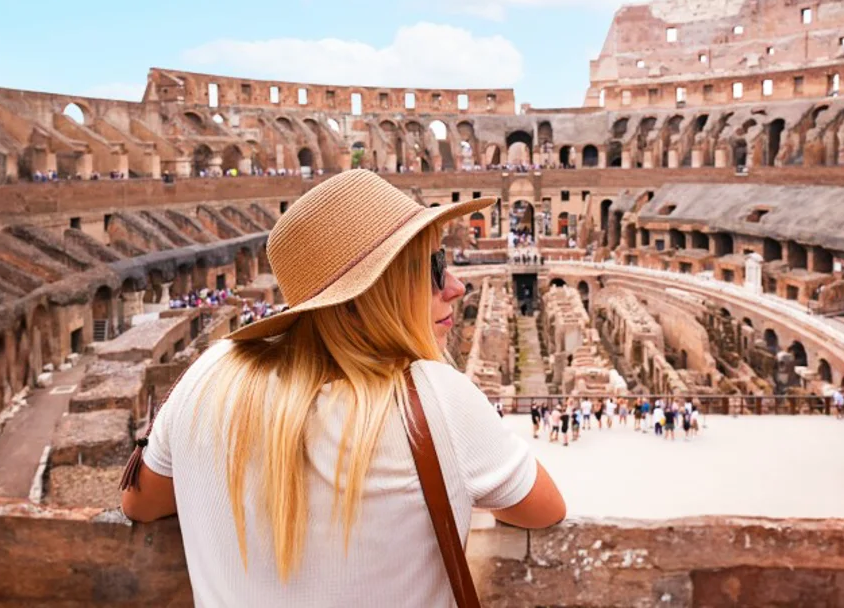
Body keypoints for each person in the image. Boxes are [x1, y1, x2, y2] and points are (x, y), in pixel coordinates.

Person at [120, 170, 565, 605]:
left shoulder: (209, 373)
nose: (456, 285)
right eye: (434, 268)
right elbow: (543, 508)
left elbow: (141, 504)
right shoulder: (436, 399)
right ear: (377, 289)